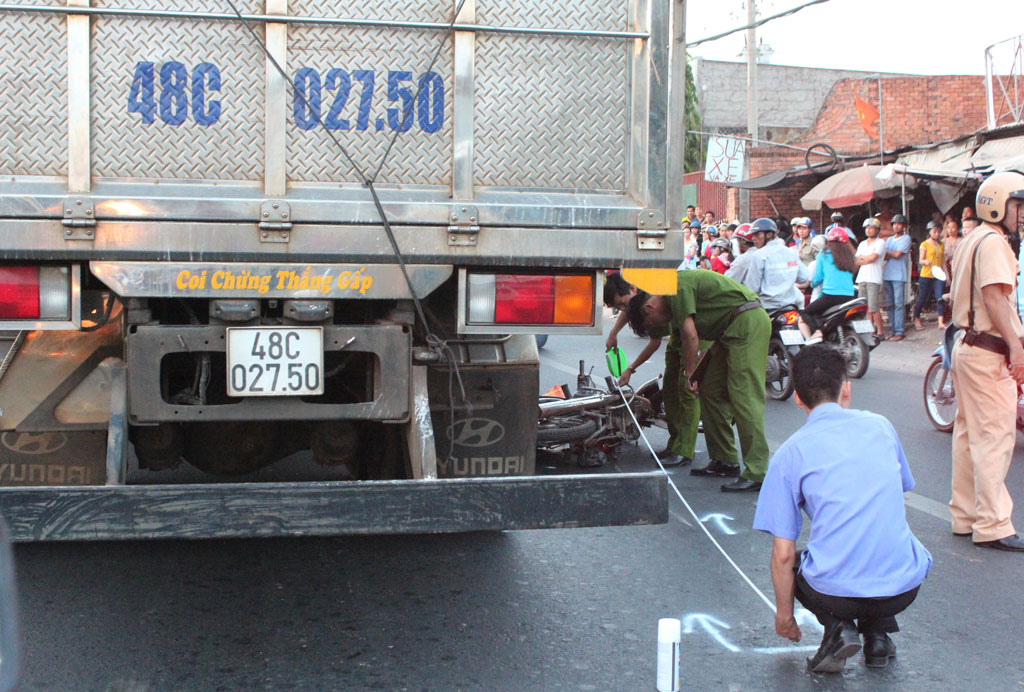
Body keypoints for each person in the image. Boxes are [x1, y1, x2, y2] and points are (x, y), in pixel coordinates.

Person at [754, 344, 932, 673]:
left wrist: (784, 616)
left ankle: (837, 628)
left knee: (800, 563)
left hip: (836, 594)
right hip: (904, 586)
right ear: (846, 389)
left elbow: (782, 554)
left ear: (797, 397)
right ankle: (878, 637)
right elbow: (896, 494)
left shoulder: (790, 454)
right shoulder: (882, 427)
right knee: (872, 541)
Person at [627, 270, 771, 492]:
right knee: (710, 389)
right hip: (728, 330)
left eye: (652, 324)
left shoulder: (674, 287)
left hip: (746, 322)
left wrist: (690, 374)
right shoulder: (668, 293)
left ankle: (758, 471)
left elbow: (690, 336)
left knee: (744, 397)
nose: (659, 327)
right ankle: (724, 459)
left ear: (649, 308)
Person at [948, 171, 1024, 552]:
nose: (1021, 213)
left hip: (966, 345)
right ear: (996, 204)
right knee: (994, 436)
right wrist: (1017, 346)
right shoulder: (993, 242)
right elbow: (995, 298)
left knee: (966, 433)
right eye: (1017, 204)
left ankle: (964, 516)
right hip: (988, 349)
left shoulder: (970, 238)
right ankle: (993, 524)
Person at [604, 273, 694, 467]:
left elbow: (654, 343)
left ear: (633, 290)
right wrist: (613, 333)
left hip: (692, 336)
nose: (623, 310)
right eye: (617, 307)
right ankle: (675, 444)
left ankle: (684, 450)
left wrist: (630, 369)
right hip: (678, 338)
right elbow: (628, 308)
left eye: (622, 304)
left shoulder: (650, 303)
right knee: (669, 393)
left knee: (686, 393)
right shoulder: (638, 300)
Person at [798, 226, 857, 344]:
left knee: (805, 313)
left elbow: (818, 278)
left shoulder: (824, 254)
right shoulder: (850, 256)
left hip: (830, 296)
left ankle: (816, 333)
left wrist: (813, 284)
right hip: (850, 295)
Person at [742, 217, 810, 310]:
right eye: (753, 235)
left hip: (768, 308)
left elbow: (752, 288)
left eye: (757, 235)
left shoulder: (759, 255)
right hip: (791, 306)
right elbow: (804, 278)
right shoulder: (791, 252)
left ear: (769, 234)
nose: (753, 238)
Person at [855, 218, 887, 338]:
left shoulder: (880, 243)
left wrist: (863, 258)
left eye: (871, 228)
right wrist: (865, 259)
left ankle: (880, 331)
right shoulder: (862, 244)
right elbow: (856, 261)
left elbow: (873, 258)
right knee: (864, 307)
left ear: (877, 230)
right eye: (867, 228)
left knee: (874, 306)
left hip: (874, 278)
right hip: (862, 277)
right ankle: (870, 330)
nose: (868, 230)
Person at [882, 213, 912, 341]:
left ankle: (899, 331)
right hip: (887, 274)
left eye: (899, 224)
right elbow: (886, 255)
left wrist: (888, 253)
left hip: (899, 275)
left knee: (899, 304)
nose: (896, 226)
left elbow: (898, 254)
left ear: (904, 226)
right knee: (889, 304)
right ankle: (893, 330)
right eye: (894, 224)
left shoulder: (906, 238)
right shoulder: (889, 239)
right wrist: (890, 253)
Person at [913, 221, 947, 330]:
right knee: (922, 298)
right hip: (926, 274)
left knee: (940, 297)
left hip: (938, 275)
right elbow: (920, 260)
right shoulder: (924, 244)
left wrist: (947, 276)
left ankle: (941, 322)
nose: (937, 234)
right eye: (934, 231)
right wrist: (925, 262)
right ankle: (916, 318)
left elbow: (943, 262)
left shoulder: (942, 244)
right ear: (930, 232)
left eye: (938, 231)